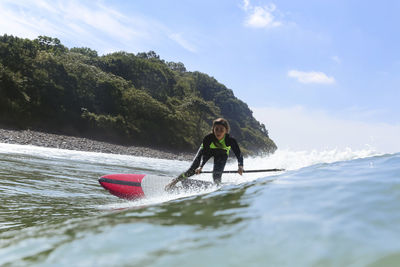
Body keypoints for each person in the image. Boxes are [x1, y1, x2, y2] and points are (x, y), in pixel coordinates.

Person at [165, 118, 244, 191]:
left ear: (226, 130)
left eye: (221, 130)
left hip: (222, 153)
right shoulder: (208, 138)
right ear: (213, 129)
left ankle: (217, 188)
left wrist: (240, 166)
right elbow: (205, 154)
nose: (218, 132)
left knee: (216, 175)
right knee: (192, 170)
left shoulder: (230, 140)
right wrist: (200, 166)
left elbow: (238, 154)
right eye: (216, 129)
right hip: (206, 151)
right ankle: (174, 182)